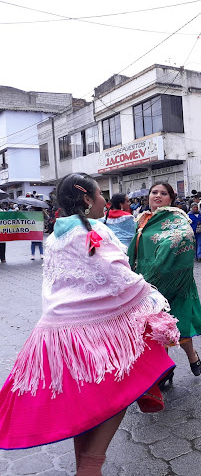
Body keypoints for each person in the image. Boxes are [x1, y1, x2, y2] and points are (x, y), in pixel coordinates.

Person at [0, 173, 178, 473]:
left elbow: (61, 285)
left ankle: (86, 464)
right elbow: (118, 276)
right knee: (122, 388)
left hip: (55, 334)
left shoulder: (55, 236)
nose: (104, 201)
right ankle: (91, 466)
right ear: (87, 199)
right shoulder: (92, 231)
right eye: (99, 195)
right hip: (90, 332)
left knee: (87, 402)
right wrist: (151, 296)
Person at [128, 181, 201, 381]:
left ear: (171, 198)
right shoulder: (142, 219)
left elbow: (184, 237)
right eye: (154, 192)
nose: (158, 196)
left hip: (176, 280)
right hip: (147, 282)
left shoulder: (178, 219)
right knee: (155, 329)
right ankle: (165, 369)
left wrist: (162, 261)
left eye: (163, 193)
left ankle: (192, 356)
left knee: (180, 327)